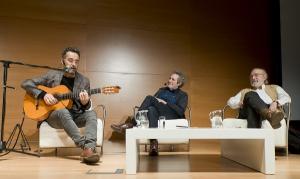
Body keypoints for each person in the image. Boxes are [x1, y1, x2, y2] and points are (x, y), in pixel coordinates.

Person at [21, 47, 100, 164]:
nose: (73, 64)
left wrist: (85, 103)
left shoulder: (84, 81)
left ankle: (90, 147)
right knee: (63, 111)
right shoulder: (52, 74)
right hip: (55, 117)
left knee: (92, 113)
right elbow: (26, 83)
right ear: (62, 61)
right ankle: (85, 148)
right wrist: (43, 95)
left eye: (76, 61)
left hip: (75, 115)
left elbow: (85, 107)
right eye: (70, 60)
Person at [111, 71, 188, 156]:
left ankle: (131, 124)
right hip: (159, 113)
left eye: (173, 79)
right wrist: (157, 102)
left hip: (172, 115)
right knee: (151, 109)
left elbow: (180, 111)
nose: (169, 80)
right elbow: (153, 102)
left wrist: (166, 103)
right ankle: (153, 144)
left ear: (179, 83)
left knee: (149, 98)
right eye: (170, 78)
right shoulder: (162, 90)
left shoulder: (183, 95)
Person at [227, 68, 291, 129]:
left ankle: (253, 136)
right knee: (250, 94)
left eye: (256, 75)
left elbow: (286, 97)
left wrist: (276, 102)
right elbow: (230, 101)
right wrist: (238, 103)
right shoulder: (245, 91)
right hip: (247, 113)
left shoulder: (274, 88)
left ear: (264, 77)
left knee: (252, 109)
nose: (253, 78)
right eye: (251, 76)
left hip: (268, 109)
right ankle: (269, 115)